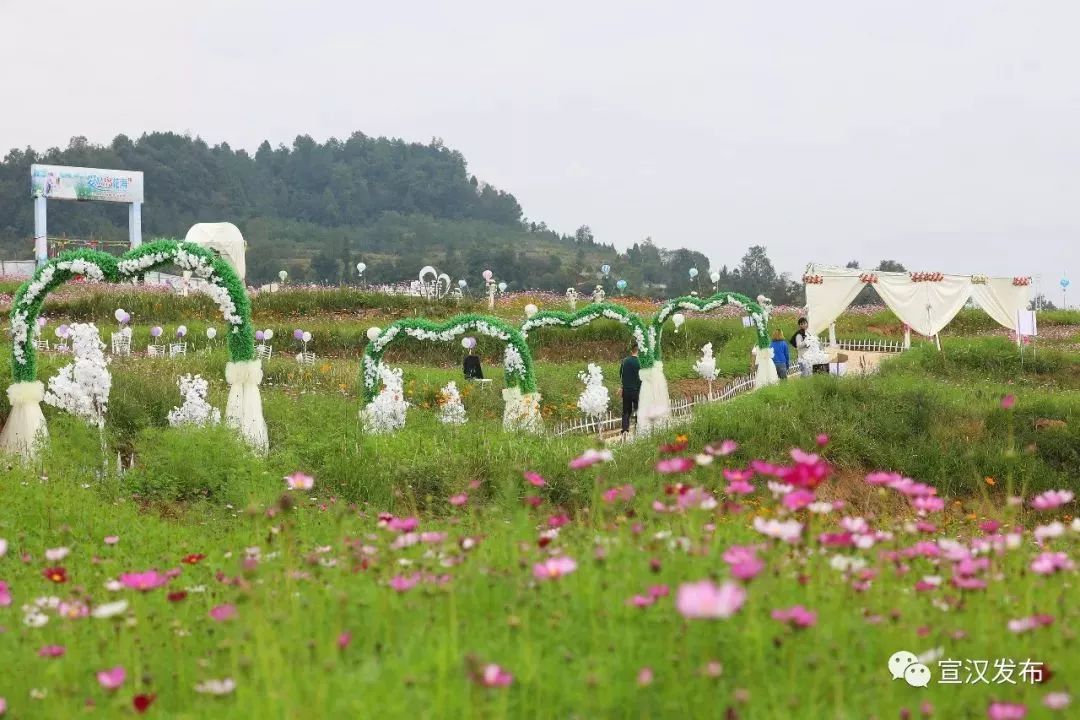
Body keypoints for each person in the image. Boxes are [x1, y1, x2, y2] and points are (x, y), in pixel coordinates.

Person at [619, 344, 641, 434]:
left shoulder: (624, 361)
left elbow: (621, 375)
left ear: (631, 351)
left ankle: (625, 430)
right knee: (639, 409)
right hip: (637, 390)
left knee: (626, 411)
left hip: (626, 390)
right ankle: (639, 428)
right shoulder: (641, 362)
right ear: (639, 351)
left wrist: (622, 386)